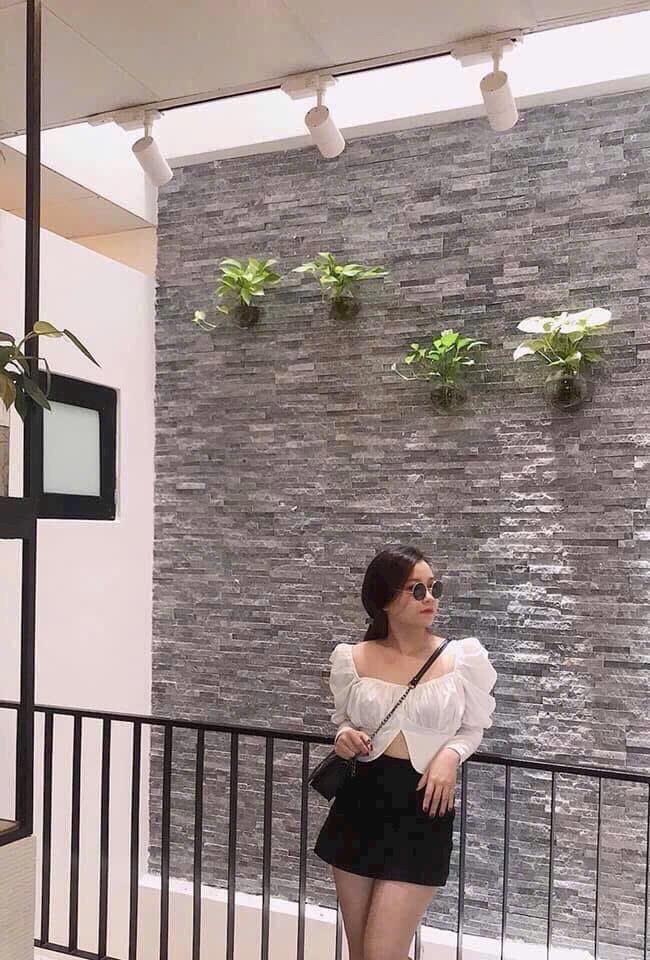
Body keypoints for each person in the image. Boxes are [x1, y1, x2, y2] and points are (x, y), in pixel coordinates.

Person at [314, 544, 498, 960]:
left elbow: (473, 727)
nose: (429, 598)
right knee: (363, 953)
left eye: (434, 588)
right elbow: (345, 721)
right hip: (359, 804)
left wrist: (450, 756)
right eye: (417, 590)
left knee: (382, 952)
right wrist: (344, 736)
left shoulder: (461, 659)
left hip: (422, 808)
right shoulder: (353, 658)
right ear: (384, 599)